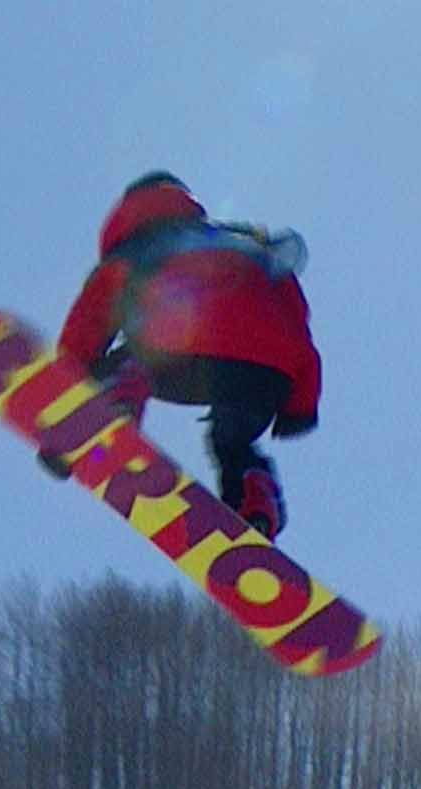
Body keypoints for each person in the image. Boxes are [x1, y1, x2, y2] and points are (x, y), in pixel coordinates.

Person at [50, 171, 322, 540]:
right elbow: (297, 324)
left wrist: (64, 395)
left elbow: (90, 321)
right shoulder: (248, 245)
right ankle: (254, 500)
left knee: (129, 361)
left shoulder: (136, 250)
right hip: (269, 372)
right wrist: (299, 407)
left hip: (183, 341)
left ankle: (113, 405)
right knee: (233, 442)